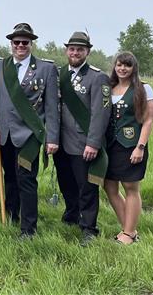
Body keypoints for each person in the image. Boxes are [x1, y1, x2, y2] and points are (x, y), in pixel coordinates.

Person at [0, 23, 60, 239]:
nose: (20, 46)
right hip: (5, 134)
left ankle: (28, 228)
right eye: (16, 42)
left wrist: (52, 138)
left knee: (26, 179)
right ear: (11, 44)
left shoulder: (46, 69)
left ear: (31, 44)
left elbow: (52, 107)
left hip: (29, 135)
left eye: (24, 42)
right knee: (10, 178)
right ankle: (11, 215)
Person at [55, 31, 111, 245]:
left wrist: (93, 143)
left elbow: (100, 113)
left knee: (86, 187)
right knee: (66, 183)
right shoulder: (59, 74)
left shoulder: (97, 77)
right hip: (60, 141)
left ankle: (89, 228)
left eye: (80, 49)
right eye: (72, 49)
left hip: (83, 143)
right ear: (66, 50)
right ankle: (71, 214)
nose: (75, 52)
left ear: (88, 51)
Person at [103, 51, 153, 245]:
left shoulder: (143, 89)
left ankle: (129, 233)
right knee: (109, 186)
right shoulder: (109, 87)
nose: (122, 69)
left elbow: (148, 120)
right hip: (110, 145)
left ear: (134, 68)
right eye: (119, 65)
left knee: (130, 187)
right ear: (114, 66)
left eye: (127, 65)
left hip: (131, 144)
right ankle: (129, 229)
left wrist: (140, 147)